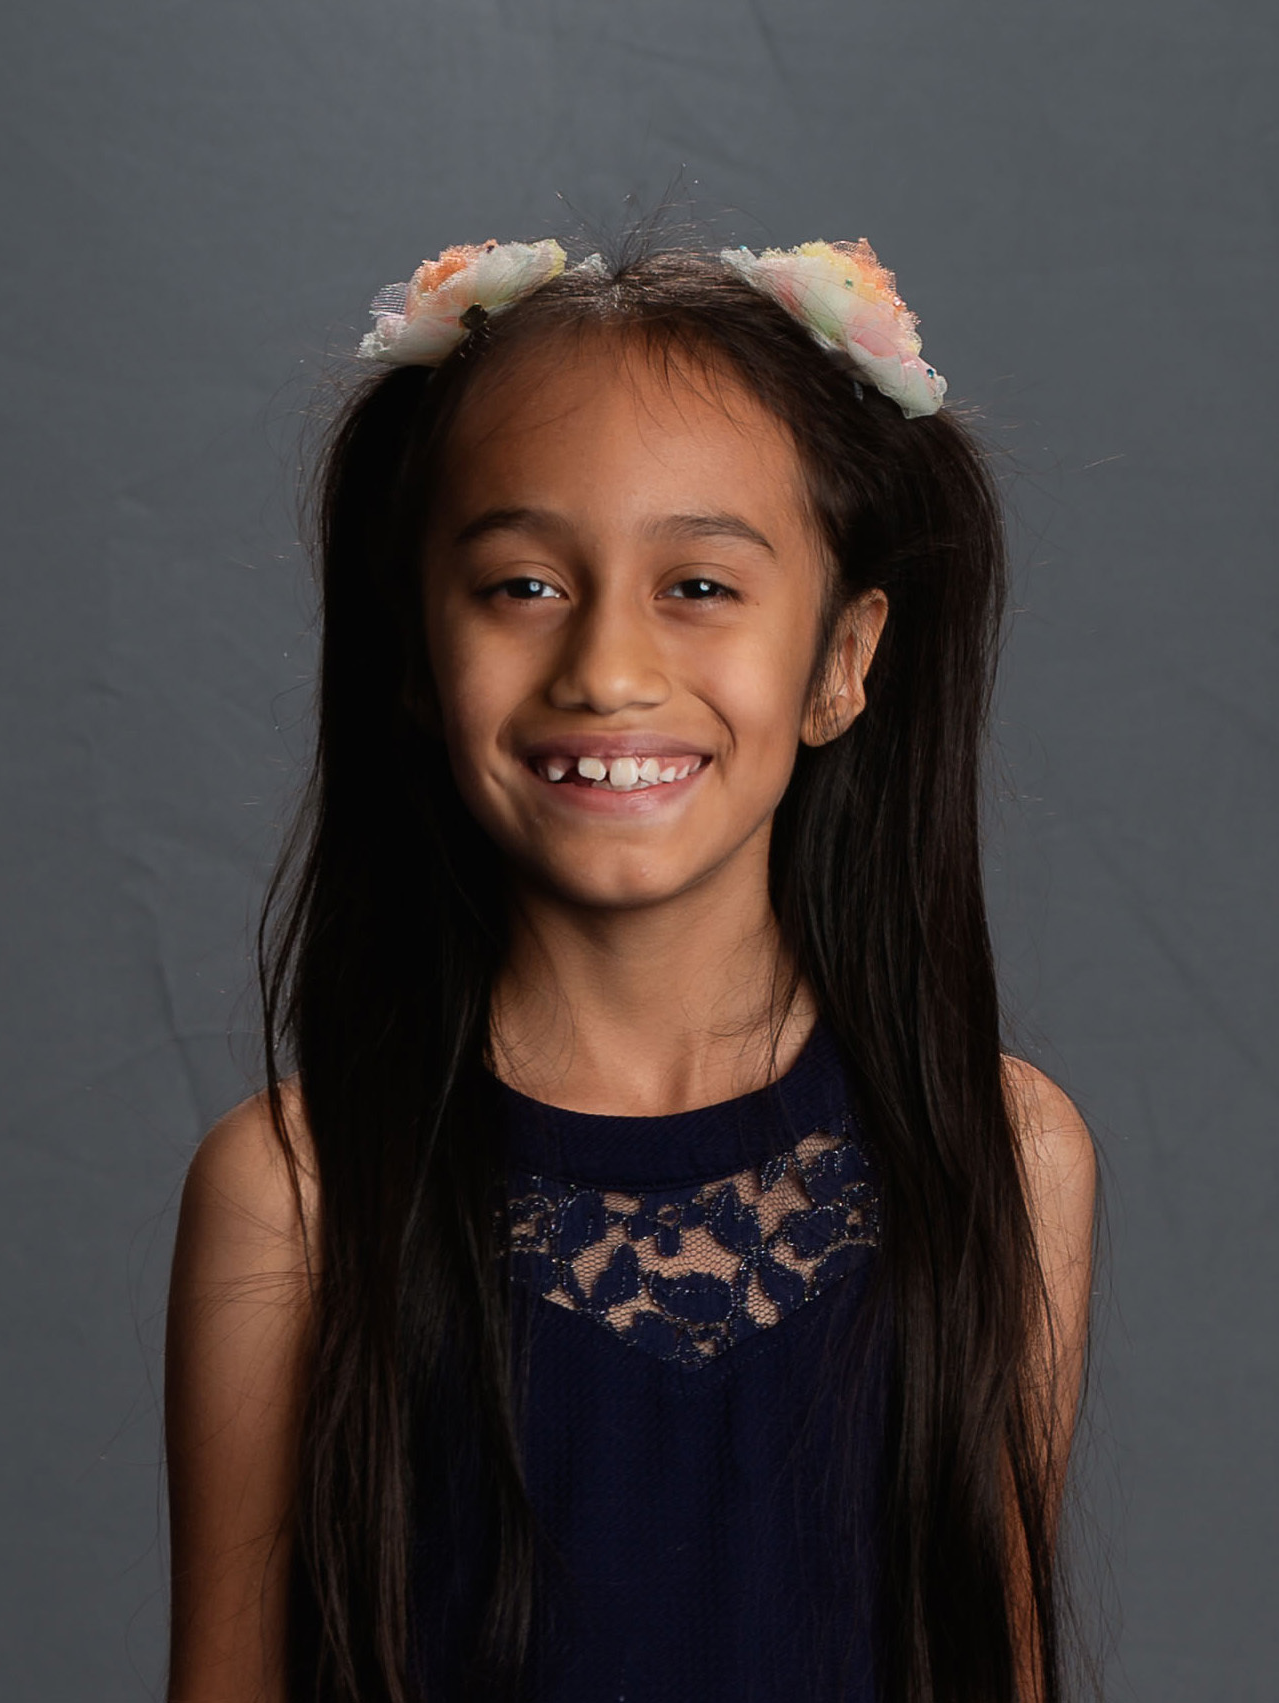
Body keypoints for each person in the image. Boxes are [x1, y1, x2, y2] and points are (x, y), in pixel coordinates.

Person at [164, 231, 1097, 1703]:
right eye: (522, 585)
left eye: (700, 586)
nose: (606, 668)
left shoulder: (1000, 1152)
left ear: (844, 660)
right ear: (414, 650)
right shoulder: (298, 1192)